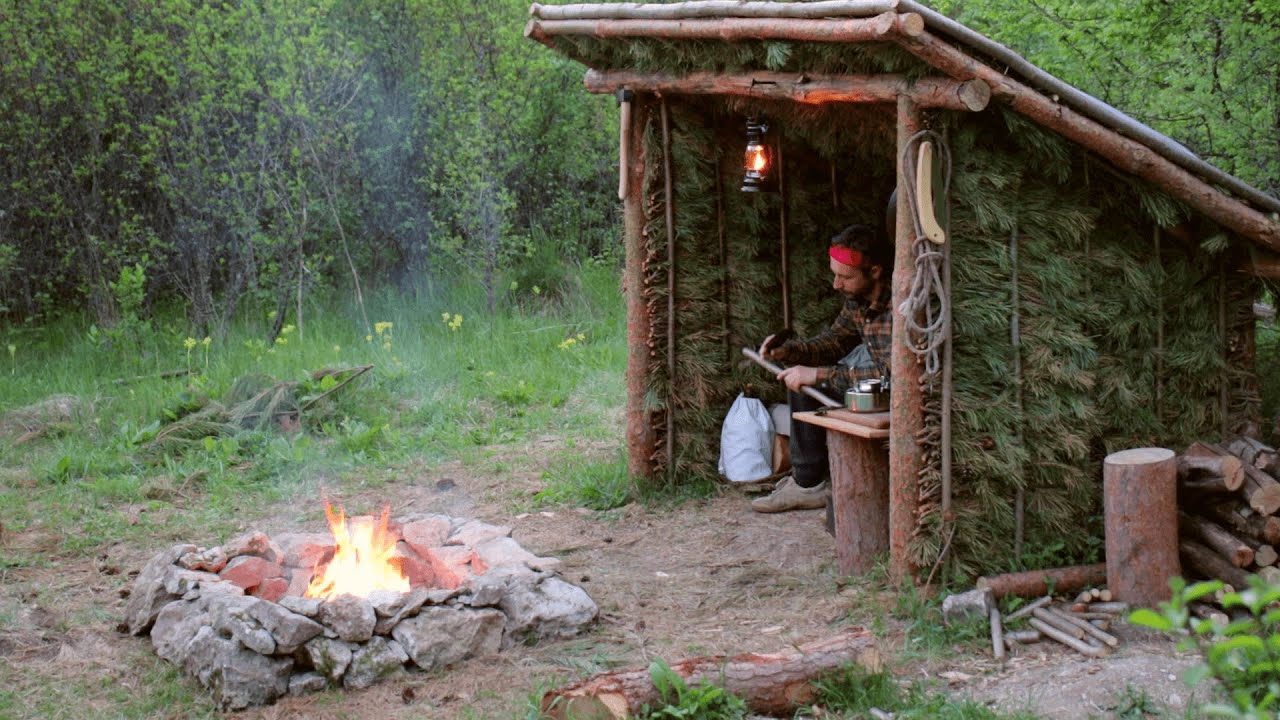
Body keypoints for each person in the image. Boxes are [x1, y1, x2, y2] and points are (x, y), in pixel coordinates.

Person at [752, 223, 893, 513]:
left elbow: (894, 376)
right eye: (834, 275)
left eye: (845, 277)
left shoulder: (899, 306)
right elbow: (834, 342)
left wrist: (818, 374)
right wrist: (790, 351)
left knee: (811, 380)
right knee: (804, 382)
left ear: (876, 271)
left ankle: (807, 483)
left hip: (899, 397)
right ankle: (810, 484)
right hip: (875, 391)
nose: (836, 285)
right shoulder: (857, 300)